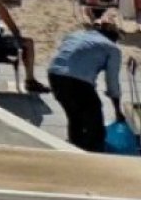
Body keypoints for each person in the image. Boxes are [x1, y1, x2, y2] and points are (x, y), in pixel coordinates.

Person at [49, 20, 126, 152]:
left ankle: (74, 147)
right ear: (113, 37)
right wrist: (117, 110)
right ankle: (94, 153)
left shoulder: (76, 35)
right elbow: (112, 81)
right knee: (94, 121)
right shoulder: (112, 48)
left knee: (74, 115)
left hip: (55, 74)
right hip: (78, 81)